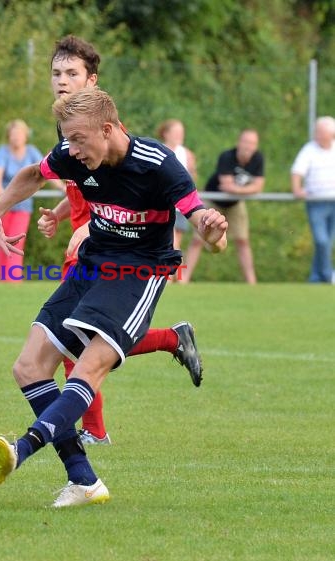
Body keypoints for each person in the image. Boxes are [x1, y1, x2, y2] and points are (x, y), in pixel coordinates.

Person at [0, 87, 228, 508]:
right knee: (28, 367)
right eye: (67, 139)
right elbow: (32, 174)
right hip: (93, 262)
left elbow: (202, 222)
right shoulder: (73, 153)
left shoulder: (160, 165)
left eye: (79, 139)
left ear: (109, 129)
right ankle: (83, 480)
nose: (72, 150)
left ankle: (23, 448)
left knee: (89, 368)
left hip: (139, 271)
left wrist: (211, 232)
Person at [37, 36, 203, 447]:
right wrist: (61, 215)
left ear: (91, 80)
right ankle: (170, 339)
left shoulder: (104, 125)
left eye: (71, 73)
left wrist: (87, 226)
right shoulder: (67, 123)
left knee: (78, 342)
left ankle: (94, 431)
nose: (61, 80)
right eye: (56, 73)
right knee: (79, 340)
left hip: (106, 243)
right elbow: (77, 178)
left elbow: (126, 188)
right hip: (89, 235)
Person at [182, 129, 264, 284]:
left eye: (252, 143)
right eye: (246, 142)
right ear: (239, 142)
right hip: (214, 200)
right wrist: (246, 189)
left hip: (235, 203)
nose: (248, 146)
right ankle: (184, 278)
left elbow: (259, 186)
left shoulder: (258, 158)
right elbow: (226, 185)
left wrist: (238, 190)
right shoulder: (227, 157)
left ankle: (252, 281)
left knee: (243, 240)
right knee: (198, 239)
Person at [0, 119, 63, 281]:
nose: (16, 138)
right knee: (1, 239)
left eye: (19, 134)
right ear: (8, 136)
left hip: (23, 205)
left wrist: (62, 188)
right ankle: (3, 279)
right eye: (13, 135)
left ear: (25, 136)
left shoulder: (31, 152)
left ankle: (13, 278)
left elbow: (45, 170)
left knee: (16, 239)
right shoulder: (4, 151)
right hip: (4, 204)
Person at [291, 116, 335, 283]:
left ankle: (316, 278)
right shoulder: (309, 149)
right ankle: (328, 276)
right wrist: (297, 189)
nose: (317, 135)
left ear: (331, 134)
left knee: (327, 243)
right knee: (321, 240)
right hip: (317, 203)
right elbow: (297, 171)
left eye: (321, 132)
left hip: (334, 202)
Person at [156, 119, 198, 250]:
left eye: (181, 133)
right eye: (176, 132)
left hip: (181, 205)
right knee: (169, 243)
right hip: (162, 204)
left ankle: (176, 269)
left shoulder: (187, 154)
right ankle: (175, 269)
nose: (179, 136)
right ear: (166, 133)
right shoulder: (158, 150)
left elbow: (192, 178)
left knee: (175, 242)